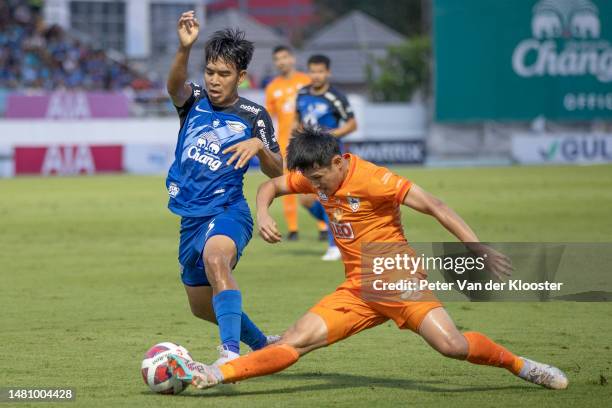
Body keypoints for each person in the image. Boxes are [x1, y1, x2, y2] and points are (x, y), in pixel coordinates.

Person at [167, 127, 569, 391]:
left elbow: (434, 204)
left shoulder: (373, 178)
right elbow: (270, 186)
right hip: (357, 289)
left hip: (398, 281)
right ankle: (215, 373)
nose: (316, 186)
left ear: (339, 161)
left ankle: (522, 366)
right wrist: (266, 212)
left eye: (321, 177)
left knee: (453, 346)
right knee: (293, 340)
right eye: (311, 179)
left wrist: (475, 247)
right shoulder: (313, 174)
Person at [165, 10, 283, 364]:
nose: (215, 80)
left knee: (217, 260)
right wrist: (184, 49)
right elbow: (173, 86)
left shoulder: (253, 116)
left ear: (241, 77)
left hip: (228, 212)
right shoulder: (194, 101)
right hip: (190, 219)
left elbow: (279, 171)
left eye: (224, 74)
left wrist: (260, 148)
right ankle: (262, 345)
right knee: (202, 307)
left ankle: (230, 355)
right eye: (210, 72)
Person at [295, 54, 357, 260]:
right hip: (309, 154)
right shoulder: (302, 94)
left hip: (330, 155)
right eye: (313, 71)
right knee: (305, 199)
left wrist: (330, 134)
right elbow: (298, 122)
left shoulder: (336, 97)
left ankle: (334, 245)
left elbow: (352, 124)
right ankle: (343, 228)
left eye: (320, 71)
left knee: (329, 199)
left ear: (327, 72)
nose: (316, 75)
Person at [264, 45, 311, 241]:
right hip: (285, 143)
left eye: (284, 57)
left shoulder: (306, 82)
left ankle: (324, 225)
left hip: (309, 140)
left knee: (316, 182)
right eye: (277, 59)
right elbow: (268, 116)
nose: (281, 62)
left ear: (292, 58)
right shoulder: (273, 87)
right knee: (288, 185)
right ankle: (293, 229)